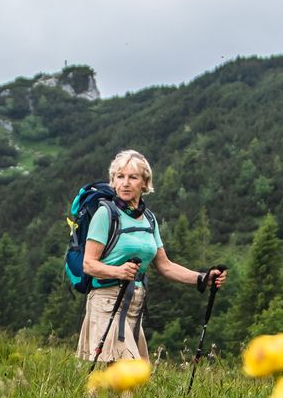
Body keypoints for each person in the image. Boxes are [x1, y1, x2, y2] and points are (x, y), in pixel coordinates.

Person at [77, 149, 224, 363]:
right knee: (127, 370)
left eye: (133, 177)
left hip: (134, 302)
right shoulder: (105, 214)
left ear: (145, 183)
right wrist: (118, 271)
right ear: (113, 181)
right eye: (120, 176)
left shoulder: (149, 219)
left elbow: (165, 266)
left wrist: (202, 278)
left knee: (131, 376)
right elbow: (89, 264)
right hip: (106, 300)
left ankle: (95, 397)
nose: (125, 183)